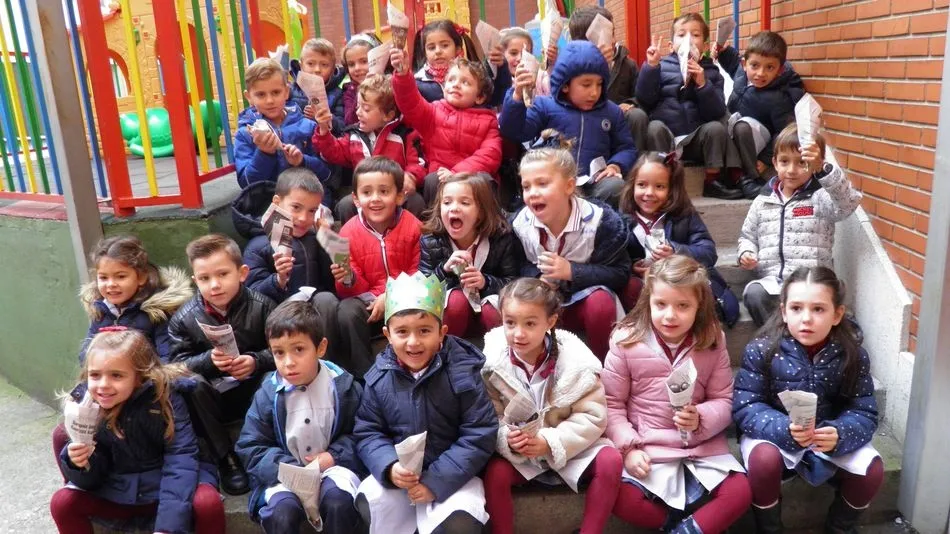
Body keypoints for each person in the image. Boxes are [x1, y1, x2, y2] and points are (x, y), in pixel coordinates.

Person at [604, 255, 752, 533]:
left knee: (741, 491)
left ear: (699, 306)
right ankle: (678, 526)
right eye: (661, 304)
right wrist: (629, 449)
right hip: (648, 446)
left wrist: (701, 417)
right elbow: (612, 404)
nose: (670, 315)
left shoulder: (711, 339)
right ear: (648, 301)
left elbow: (723, 398)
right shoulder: (626, 341)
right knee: (619, 497)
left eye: (683, 306)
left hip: (700, 447)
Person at [733, 266, 882, 533]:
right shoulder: (762, 350)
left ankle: (839, 529)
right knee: (763, 459)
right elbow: (746, 406)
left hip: (828, 436)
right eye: (797, 308)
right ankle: (770, 529)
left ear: (837, 314)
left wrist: (840, 432)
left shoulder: (852, 355)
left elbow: (865, 409)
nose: (806, 319)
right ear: (783, 311)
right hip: (777, 436)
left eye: (818, 309)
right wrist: (783, 429)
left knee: (872, 470)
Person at [353, 272, 498, 534]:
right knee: (370, 503)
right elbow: (368, 431)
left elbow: (479, 433)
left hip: (453, 475)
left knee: (459, 523)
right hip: (402, 478)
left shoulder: (462, 371)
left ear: (441, 332)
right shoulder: (379, 378)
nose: (413, 342)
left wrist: (436, 481)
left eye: (424, 331)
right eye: (402, 332)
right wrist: (389, 467)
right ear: (387, 334)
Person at [481, 278, 622, 534]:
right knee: (494, 472)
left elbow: (593, 417)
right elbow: (490, 416)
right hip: (522, 455)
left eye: (530, 323)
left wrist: (550, 441)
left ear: (551, 322)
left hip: (569, 448)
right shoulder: (491, 365)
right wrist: (507, 438)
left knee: (610, 460)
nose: (518, 333)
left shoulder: (577, 363)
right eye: (510, 323)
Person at [50, 330, 225, 534]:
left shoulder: (167, 399)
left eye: (116, 375)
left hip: (166, 487)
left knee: (207, 503)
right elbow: (89, 481)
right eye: (95, 375)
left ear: (140, 376)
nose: (103, 385)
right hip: (118, 488)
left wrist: (167, 529)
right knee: (63, 502)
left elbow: (181, 459)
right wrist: (79, 464)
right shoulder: (84, 406)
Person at [236, 301, 365, 533]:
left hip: (333, 468)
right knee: (282, 513)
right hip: (284, 475)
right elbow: (250, 445)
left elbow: (363, 433)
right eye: (279, 353)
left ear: (321, 347)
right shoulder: (268, 393)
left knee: (338, 502)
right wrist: (289, 468)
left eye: (298, 349)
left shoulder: (344, 388)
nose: (288, 362)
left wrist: (332, 457)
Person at [167, 234, 277, 494]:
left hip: (253, 391)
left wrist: (256, 361)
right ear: (195, 280)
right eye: (204, 279)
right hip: (213, 399)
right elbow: (175, 367)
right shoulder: (183, 318)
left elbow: (283, 349)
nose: (215, 285)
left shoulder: (263, 306)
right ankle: (226, 458)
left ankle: (269, 447)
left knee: (274, 377)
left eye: (223, 274)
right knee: (191, 384)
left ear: (242, 273)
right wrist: (208, 361)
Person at [511, 134, 631, 360]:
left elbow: (621, 273)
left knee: (601, 302)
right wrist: (536, 277)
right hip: (541, 309)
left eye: (542, 183)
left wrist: (572, 272)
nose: (533, 192)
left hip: (582, 305)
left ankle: (602, 369)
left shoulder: (601, 221)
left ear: (569, 186)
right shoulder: (519, 224)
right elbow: (517, 266)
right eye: (526, 186)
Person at [737, 124, 861, 326]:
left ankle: (800, 339)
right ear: (775, 163)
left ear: (814, 164)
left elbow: (847, 204)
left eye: (802, 163)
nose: (791, 170)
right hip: (774, 283)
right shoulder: (763, 201)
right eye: (784, 161)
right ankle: (779, 340)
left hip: (810, 282)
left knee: (819, 301)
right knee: (754, 293)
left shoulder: (820, 197)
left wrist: (824, 171)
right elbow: (747, 237)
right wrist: (746, 253)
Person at [502, 40, 638, 208]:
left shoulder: (611, 112)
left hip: (595, 183)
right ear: (565, 85)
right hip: (555, 183)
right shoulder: (545, 106)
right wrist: (516, 98)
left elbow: (626, 147)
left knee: (615, 187)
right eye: (586, 84)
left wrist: (616, 165)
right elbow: (514, 131)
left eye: (599, 84)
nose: (594, 92)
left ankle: (602, 227)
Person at [231, 167, 343, 363]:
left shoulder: (315, 237)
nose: (303, 218)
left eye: (312, 211)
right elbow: (250, 294)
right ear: (277, 203)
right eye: (296, 208)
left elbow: (330, 284)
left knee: (326, 299)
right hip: (278, 314)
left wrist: (331, 246)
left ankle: (329, 365)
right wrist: (278, 279)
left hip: (314, 311)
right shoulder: (258, 245)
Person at [619, 152, 739, 325]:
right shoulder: (621, 221)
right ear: (632, 186)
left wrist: (676, 253)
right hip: (647, 294)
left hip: (680, 287)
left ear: (671, 190)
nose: (649, 193)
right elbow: (613, 260)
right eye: (642, 185)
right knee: (632, 287)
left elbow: (708, 252)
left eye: (659, 187)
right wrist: (632, 267)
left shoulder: (683, 215)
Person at [633, 14, 744, 199]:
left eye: (695, 35)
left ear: (706, 46)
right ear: (671, 45)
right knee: (653, 128)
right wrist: (651, 67)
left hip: (695, 138)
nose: (688, 40)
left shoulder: (711, 71)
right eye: (682, 35)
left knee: (715, 128)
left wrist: (703, 84)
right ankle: (664, 180)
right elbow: (644, 99)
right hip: (666, 135)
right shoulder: (661, 66)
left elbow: (716, 111)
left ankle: (712, 180)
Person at [333, 157, 422, 377]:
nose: (375, 199)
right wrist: (348, 278)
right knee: (346, 310)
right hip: (370, 306)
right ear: (355, 199)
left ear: (399, 196)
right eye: (367, 192)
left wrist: (391, 295)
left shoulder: (413, 226)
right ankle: (366, 376)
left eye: (384, 191)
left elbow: (419, 271)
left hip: (407, 299)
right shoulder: (346, 233)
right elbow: (348, 292)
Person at [390, 45, 503, 205]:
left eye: (465, 82)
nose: (456, 85)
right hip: (440, 177)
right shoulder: (433, 111)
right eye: (451, 80)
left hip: (471, 176)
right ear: (444, 88)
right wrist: (402, 75)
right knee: (431, 180)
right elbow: (411, 104)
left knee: (485, 179)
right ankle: (437, 225)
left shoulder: (489, 121)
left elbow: (490, 155)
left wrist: (457, 173)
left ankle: (486, 227)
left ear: (479, 97)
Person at [419, 173, 525, 337]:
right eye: (447, 202)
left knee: (493, 309)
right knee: (456, 300)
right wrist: (444, 270)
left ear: (481, 212)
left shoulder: (501, 238)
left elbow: (513, 282)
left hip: (487, 310)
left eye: (465, 202)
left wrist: (485, 282)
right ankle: (449, 353)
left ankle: (500, 356)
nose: (454, 207)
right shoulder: (431, 240)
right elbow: (424, 287)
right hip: (453, 316)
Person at [313, 73, 427, 222]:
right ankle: (355, 241)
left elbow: (417, 163)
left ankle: (411, 238)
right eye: (358, 106)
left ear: (388, 115)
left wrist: (410, 177)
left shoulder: (404, 134)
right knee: (345, 205)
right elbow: (333, 151)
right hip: (365, 195)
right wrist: (323, 129)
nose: (358, 112)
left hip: (394, 195)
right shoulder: (354, 135)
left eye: (366, 109)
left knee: (416, 201)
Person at [235, 58, 334, 206]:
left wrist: (302, 161)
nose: (269, 100)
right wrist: (264, 154)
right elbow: (247, 183)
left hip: (309, 203)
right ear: (249, 97)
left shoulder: (307, 126)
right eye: (261, 95)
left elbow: (327, 174)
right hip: (270, 205)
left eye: (276, 92)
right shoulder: (246, 134)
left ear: (286, 92)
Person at [78, 235, 192, 363]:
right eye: (104, 278)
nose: (111, 284)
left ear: (141, 278)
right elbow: (86, 355)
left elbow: (168, 358)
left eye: (120, 277)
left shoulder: (157, 313)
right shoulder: (100, 310)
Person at [728, 31, 805, 198]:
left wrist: (765, 159)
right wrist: (721, 51)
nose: (760, 73)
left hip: (756, 138)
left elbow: (785, 131)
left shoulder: (778, 97)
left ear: (780, 70)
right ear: (744, 64)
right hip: (735, 132)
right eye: (754, 65)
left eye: (769, 67)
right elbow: (730, 63)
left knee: (742, 126)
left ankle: (751, 179)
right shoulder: (741, 76)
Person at [409, 19, 500, 103]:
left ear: (458, 49)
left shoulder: (475, 76)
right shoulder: (417, 84)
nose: (438, 51)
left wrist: (500, 67)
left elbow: (496, 98)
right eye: (431, 48)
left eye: (445, 45)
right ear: (425, 52)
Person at [290, 38, 347, 132]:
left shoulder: (338, 94)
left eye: (324, 65)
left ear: (332, 69)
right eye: (310, 64)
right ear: (301, 66)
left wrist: (327, 118)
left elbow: (342, 128)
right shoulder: (291, 90)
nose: (317, 70)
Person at [341, 33, 382, 127]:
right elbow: (350, 121)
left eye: (364, 61)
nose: (357, 68)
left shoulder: (388, 85)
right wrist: (362, 89)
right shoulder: (349, 91)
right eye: (351, 64)